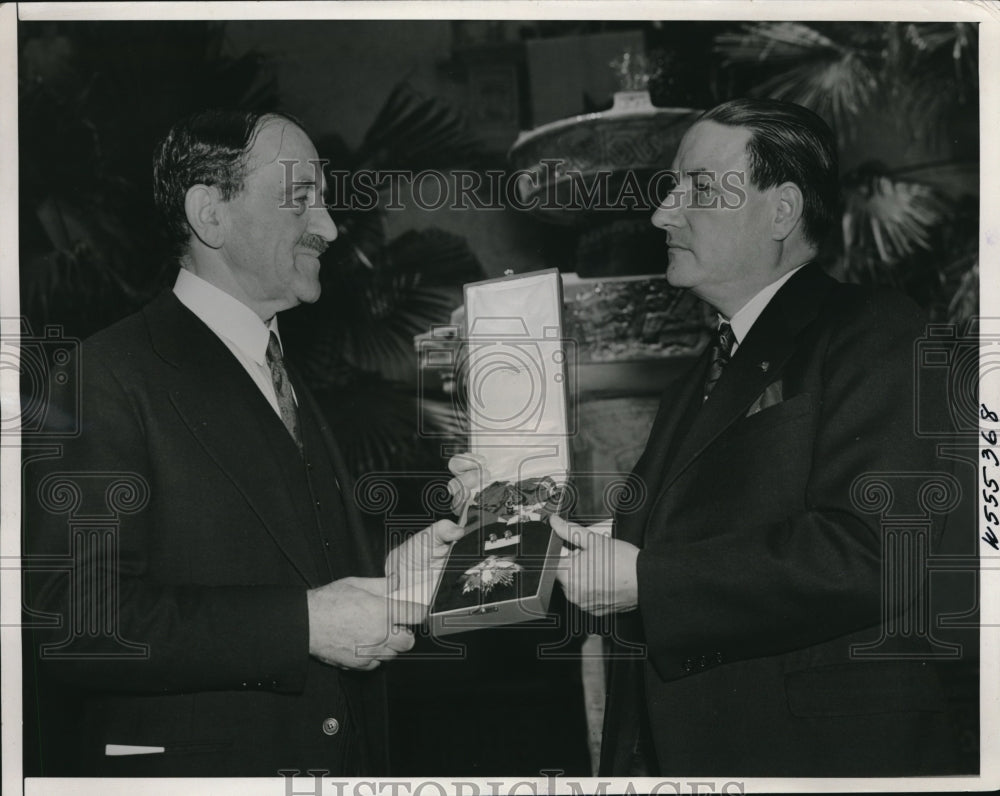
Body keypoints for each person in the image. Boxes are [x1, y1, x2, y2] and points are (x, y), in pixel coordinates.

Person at [451, 98, 962, 776]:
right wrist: (512, 521)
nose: (662, 212)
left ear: (780, 211)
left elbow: (877, 553)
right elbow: (656, 550)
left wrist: (648, 581)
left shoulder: (877, 332)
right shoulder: (698, 382)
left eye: (694, 186)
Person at [23, 108, 461, 777]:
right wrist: (306, 626)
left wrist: (394, 576)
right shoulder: (101, 378)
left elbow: (283, 561)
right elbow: (73, 625)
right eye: (301, 200)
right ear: (211, 214)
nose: (330, 227)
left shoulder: (283, 372)